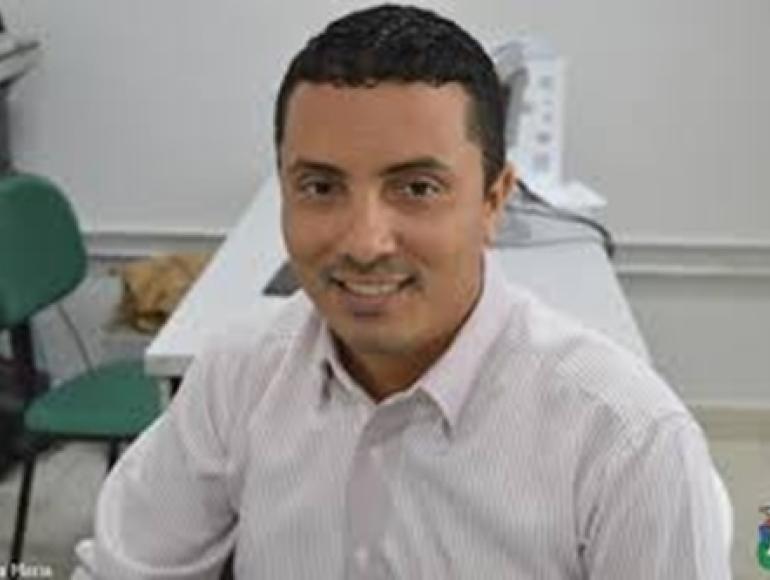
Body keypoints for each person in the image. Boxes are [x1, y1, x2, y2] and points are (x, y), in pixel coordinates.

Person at [75, 4, 729, 578]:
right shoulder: (238, 376)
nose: (364, 242)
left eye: (417, 188)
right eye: (320, 186)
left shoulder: (627, 442)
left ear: (494, 200)